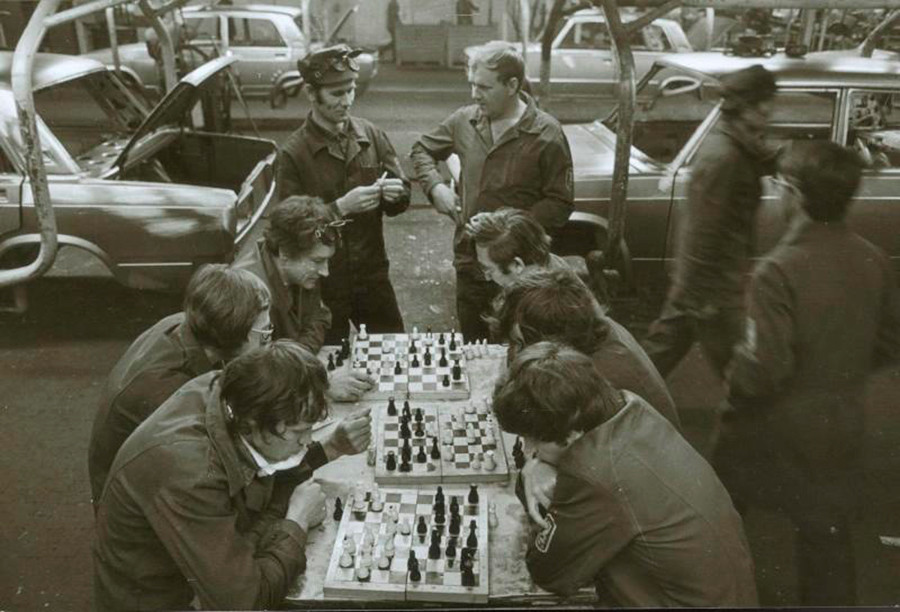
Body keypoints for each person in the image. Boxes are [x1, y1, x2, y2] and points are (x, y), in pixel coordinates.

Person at [713, 141, 900, 606]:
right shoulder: (872, 256)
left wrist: (735, 380)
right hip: (840, 423)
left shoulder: (777, 270)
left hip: (769, 428)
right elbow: (891, 341)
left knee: (718, 513)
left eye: (776, 184)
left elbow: (762, 370)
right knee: (827, 543)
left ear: (792, 194)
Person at [93, 340, 372, 611]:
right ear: (253, 424)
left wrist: (330, 448)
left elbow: (263, 481)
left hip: (204, 561)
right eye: (299, 432)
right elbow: (245, 602)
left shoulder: (230, 393)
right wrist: (296, 521)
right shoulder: (190, 472)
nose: (307, 440)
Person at [492, 342, 757, 606]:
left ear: (571, 432)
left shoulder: (595, 473)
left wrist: (543, 496)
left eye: (534, 440)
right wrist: (547, 461)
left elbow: (548, 571)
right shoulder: (632, 407)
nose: (528, 451)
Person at [411, 41, 573, 341]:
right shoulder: (465, 120)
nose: (475, 94)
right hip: (470, 263)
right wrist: (435, 187)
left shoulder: (547, 134)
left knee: (523, 343)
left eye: (484, 87)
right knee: (475, 346)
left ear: (512, 85)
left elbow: (560, 203)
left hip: (519, 270)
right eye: (472, 85)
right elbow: (421, 149)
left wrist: (509, 230)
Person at [88, 264, 271, 509]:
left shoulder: (189, 325)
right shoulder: (168, 388)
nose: (268, 340)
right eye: (265, 332)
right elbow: (224, 461)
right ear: (235, 333)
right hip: (138, 506)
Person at [642, 64, 778, 379]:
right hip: (712, 284)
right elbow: (705, 229)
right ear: (747, 107)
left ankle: (617, 403)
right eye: (764, 102)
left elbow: (758, 156)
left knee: (663, 350)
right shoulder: (725, 158)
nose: (769, 110)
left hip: (704, 282)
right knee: (738, 369)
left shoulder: (734, 144)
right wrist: (699, 292)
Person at [277, 44, 410, 345]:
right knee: (328, 364)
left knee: (394, 354)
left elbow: (403, 195)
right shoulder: (293, 153)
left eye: (351, 90)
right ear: (312, 93)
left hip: (373, 278)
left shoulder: (371, 135)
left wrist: (397, 193)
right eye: (337, 94)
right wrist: (338, 208)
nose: (347, 101)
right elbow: (285, 230)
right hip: (323, 284)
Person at [233, 194, 375, 401]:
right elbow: (252, 374)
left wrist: (299, 359)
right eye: (317, 261)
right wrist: (319, 382)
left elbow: (319, 318)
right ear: (284, 253)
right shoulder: (246, 291)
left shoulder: (298, 269)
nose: (324, 272)